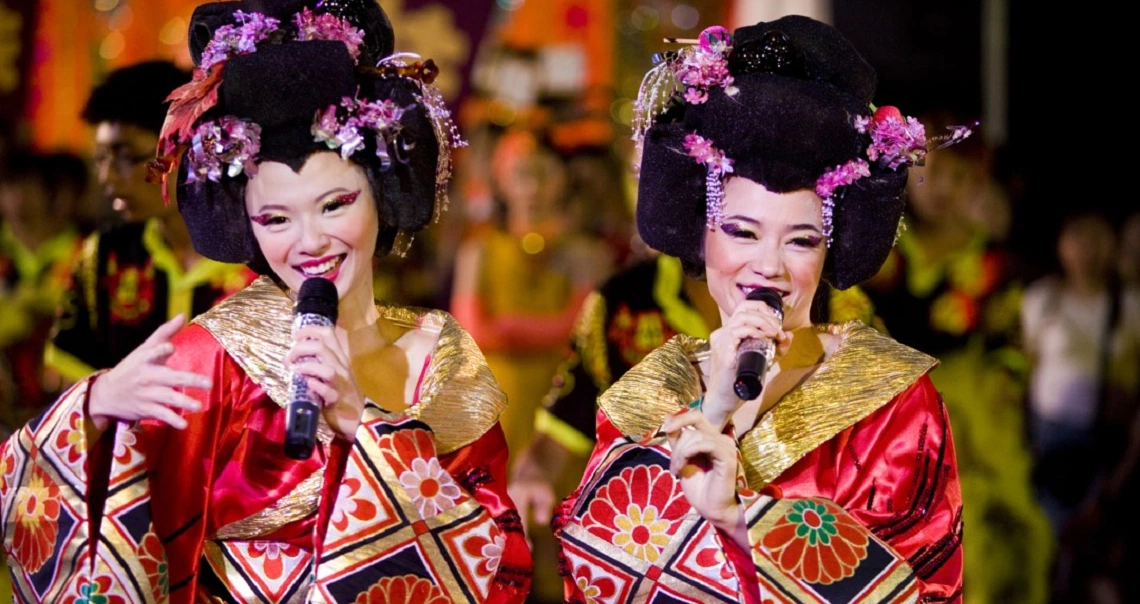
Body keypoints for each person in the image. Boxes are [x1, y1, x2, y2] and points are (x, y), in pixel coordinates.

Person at [1, 2, 531, 602]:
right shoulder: (213, 356)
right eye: (275, 218)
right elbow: (51, 507)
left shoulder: (443, 354)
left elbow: (499, 554)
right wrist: (95, 408)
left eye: (335, 205)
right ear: (248, 226)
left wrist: (366, 426)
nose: (309, 242)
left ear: (381, 197)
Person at [555, 18, 964, 602]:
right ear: (702, 235)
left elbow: (928, 587)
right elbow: (591, 572)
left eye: (800, 240)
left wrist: (738, 525)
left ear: (829, 251)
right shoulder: (647, 394)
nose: (768, 265)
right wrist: (715, 406)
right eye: (741, 232)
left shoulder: (891, 401)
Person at [45, 60, 256, 383]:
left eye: (127, 156)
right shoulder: (104, 257)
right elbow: (76, 388)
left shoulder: (259, 258)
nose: (108, 178)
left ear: (191, 146)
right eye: (101, 159)